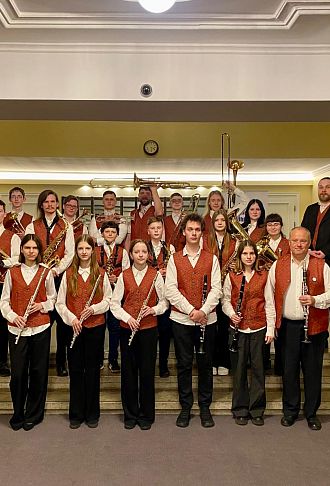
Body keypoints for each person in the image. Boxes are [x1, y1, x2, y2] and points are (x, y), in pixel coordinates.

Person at [265, 226, 330, 431]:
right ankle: (290, 411)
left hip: (315, 326)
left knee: (312, 372)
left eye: (303, 241)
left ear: (309, 243)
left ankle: (311, 413)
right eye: (295, 241)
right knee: (289, 371)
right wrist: (272, 325)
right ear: (289, 242)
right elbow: (270, 297)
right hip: (288, 327)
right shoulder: (278, 265)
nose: (299, 244)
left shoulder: (322, 266)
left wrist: (314, 300)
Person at [165, 213, 222, 428]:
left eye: (197, 230)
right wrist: (192, 311)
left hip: (208, 320)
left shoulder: (212, 258)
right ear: (184, 232)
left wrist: (204, 311)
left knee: (206, 365)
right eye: (190, 229)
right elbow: (170, 289)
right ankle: (186, 407)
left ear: (202, 233)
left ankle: (205, 407)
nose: (194, 233)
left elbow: (217, 289)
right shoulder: (175, 258)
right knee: (184, 365)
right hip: (182, 320)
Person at [0, 234, 56, 431]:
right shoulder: (12, 272)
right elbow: (4, 301)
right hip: (17, 328)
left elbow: (53, 299)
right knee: (18, 374)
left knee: (39, 372)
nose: (31, 251)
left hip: (40, 327)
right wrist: (13, 316)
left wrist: (42, 305)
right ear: (22, 249)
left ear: (39, 251)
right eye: (27, 247)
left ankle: (34, 414)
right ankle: (18, 412)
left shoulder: (45, 272)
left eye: (34, 248)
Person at [110, 239, 168, 430]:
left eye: (144, 251)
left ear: (148, 255)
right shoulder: (124, 275)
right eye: (137, 251)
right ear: (132, 254)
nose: (141, 254)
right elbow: (114, 304)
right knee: (128, 372)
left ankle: (146, 415)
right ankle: (130, 414)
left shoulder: (155, 276)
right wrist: (128, 318)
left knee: (147, 372)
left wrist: (153, 310)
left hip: (149, 330)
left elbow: (164, 303)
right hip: (128, 329)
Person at [56, 235, 112, 429]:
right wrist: (71, 318)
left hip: (95, 327)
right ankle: (76, 414)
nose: (84, 252)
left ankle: (92, 413)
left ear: (92, 251)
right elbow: (60, 303)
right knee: (76, 371)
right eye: (80, 248)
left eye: (87, 248)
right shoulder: (69, 274)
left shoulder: (101, 274)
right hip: (74, 327)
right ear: (77, 251)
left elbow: (109, 300)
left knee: (92, 371)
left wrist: (93, 309)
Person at [222, 240, 274, 426]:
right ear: (240, 256)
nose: (249, 257)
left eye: (252, 253)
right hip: (238, 328)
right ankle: (240, 409)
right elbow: (225, 300)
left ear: (256, 255)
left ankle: (257, 409)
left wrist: (270, 328)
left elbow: (269, 303)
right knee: (239, 371)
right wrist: (231, 313)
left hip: (259, 327)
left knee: (259, 370)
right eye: (245, 254)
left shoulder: (264, 275)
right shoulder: (232, 276)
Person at [25, 189, 75, 377]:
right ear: (41, 204)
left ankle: (62, 363)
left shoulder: (66, 226)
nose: (50, 205)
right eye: (46, 202)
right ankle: (39, 364)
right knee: (40, 322)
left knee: (63, 324)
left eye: (53, 201)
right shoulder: (32, 225)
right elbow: (28, 249)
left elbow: (70, 253)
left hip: (58, 276)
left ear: (57, 204)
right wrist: (42, 268)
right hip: (38, 276)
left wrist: (56, 269)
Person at [204, 209, 239, 376]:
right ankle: (210, 362)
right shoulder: (205, 240)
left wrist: (234, 265)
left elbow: (240, 263)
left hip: (227, 287)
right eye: (216, 220)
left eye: (222, 220)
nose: (219, 222)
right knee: (210, 327)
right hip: (209, 287)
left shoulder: (234, 241)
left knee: (224, 327)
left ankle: (224, 361)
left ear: (227, 223)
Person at [95, 221, 130, 372]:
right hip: (100, 294)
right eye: (107, 232)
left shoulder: (123, 252)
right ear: (102, 234)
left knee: (115, 328)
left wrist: (117, 279)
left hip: (116, 293)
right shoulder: (94, 250)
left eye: (113, 232)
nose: (110, 234)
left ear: (117, 235)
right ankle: (98, 359)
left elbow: (128, 272)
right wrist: (103, 278)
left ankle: (113, 359)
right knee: (99, 328)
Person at [147, 216, 174, 377]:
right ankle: (149, 364)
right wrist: (156, 272)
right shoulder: (143, 247)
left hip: (165, 293)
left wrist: (167, 272)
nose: (156, 231)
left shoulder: (169, 248)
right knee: (150, 333)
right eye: (153, 228)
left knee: (164, 332)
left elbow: (176, 269)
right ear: (148, 230)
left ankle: (163, 365)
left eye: (159, 228)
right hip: (148, 293)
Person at [0, 200, 20, 376]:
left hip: (2, 284)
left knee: (2, 325)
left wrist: (2, 262)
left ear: (4, 214)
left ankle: (2, 362)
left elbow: (17, 258)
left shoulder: (12, 236)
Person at [301, 177, 330, 266]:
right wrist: (308, 250)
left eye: (328, 187)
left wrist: (325, 252)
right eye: (321, 187)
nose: (323, 190)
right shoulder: (310, 209)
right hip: (309, 256)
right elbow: (303, 231)